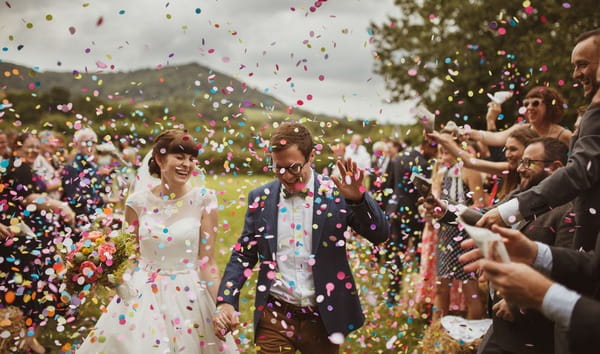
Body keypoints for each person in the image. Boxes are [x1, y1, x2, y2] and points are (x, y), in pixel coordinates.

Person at [212, 123, 390, 353]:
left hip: (323, 317)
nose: (285, 175)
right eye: (278, 168)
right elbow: (244, 253)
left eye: (293, 167)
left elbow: (379, 234)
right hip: (274, 312)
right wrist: (227, 299)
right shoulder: (261, 197)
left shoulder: (337, 193)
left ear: (312, 156)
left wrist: (358, 200)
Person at [77, 129, 237, 353]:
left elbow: (207, 261)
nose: (187, 164)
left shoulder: (205, 200)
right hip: (144, 293)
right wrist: (111, 275)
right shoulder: (137, 202)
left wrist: (221, 305)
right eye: (179, 157)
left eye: (191, 159)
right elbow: (130, 256)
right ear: (160, 159)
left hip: (190, 294)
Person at [477, 28, 600, 251]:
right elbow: (491, 137)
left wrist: (512, 211)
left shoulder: (594, 113)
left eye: (582, 64)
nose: (575, 74)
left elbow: (579, 172)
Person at [0, 132, 75, 354]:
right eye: (27, 147)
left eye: (35, 147)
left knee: (34, 291)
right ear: (17, 147)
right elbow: (28, 198)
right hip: (19, 239)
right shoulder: (18, 166)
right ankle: (27, 341)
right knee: (29, 290)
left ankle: (29, 340)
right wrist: (60, 206)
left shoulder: (18, 166)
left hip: (30, 236)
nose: (32, 151)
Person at [383, 136, 436, 304]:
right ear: (428, 146)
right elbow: (424, 193)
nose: (435, 154)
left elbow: (387, 186)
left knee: (396, 252)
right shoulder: (425, 164)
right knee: (420, 253)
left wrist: (386, 210)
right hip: (414, 212)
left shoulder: (398, 157)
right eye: (434, 150)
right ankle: (422, 295)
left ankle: (392, 294)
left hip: (394, 209)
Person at [466, 86, 572, 147]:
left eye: (535, 103)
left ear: (549, 106)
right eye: (526, 104)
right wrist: (469, 133)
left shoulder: (564, 135)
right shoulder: (522, 129)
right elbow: (496, 138)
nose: (529, 108)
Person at [61, 128, 108, 231]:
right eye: (87, 142)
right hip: (79, 223)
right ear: (77, 144)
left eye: (93, 143)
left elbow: (98, 190)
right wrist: (100, 199)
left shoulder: (93, 166)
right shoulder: (71, 167)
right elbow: (73, 198)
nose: (90, 146)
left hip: (96, 219)